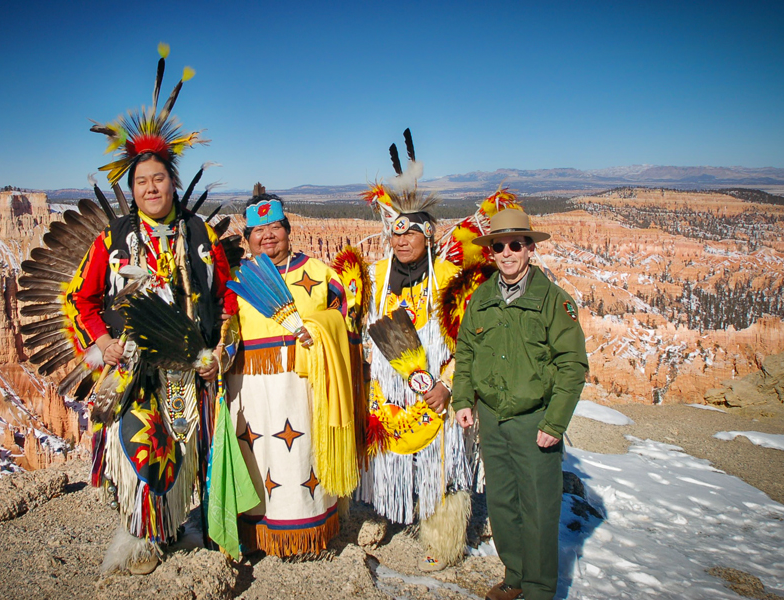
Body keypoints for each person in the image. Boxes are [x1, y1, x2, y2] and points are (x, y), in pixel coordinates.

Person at [65, 46, 237, 574]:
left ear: (171, 181)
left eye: (159, 178)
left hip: (189, 365)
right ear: (132, 188)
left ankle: (190, 525)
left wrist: (220, 349)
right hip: (134, 367)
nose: (151, 187)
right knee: (143, 448)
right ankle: (140, 537)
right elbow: (79, 298)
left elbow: (226, 297)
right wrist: (98, 342)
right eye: (141, 182)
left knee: (188, 450)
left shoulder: (197, 233)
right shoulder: (112, 242)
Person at [452, 207, 588, 600]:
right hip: (492, 421)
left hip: (535, 421)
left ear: (530, 248)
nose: (507, 252)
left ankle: (541, 590)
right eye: (499, 246)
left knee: (540, 509)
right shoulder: (483, 298)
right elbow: (467, 351)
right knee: (503, 503)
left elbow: (572, 365)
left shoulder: (553, 302)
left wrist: (554, 423)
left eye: (516, 244)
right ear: (491, 252)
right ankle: (515, 576)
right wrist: (464, 399)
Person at [359, 131, 473, 572]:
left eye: (411, 233)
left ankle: (442, 535)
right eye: (395, 232)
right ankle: (385, 512)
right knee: (387, 458)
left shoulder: (449, 279)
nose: (402, 240)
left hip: (434, 395)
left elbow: (470, 345)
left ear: (428, 233)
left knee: (438, 466)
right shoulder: (373, 276)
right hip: (388, 393)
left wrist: (448, 384)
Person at [226, 185, 356, 557]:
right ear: (247, 238)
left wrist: (320, 331)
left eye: (275, 228)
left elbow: (344, 317)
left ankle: (306, 533)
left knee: (302, 461)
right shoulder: (235, 280)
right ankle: (256, 535)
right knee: (257, 461)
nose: (267, 236)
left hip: (303, 389)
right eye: (257, 232)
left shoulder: (318, 272)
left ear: (288, 230)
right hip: (250, 390)